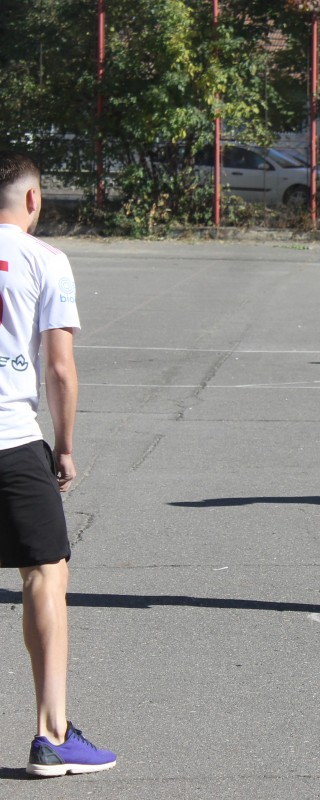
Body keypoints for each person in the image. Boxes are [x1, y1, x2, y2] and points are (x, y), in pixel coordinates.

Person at [0, 151, 116, 777]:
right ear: (35, 199)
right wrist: (63, 446)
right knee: (46, 574)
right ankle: (51, 732)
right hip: (13, 438)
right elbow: (60, 368)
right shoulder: (45, 260)